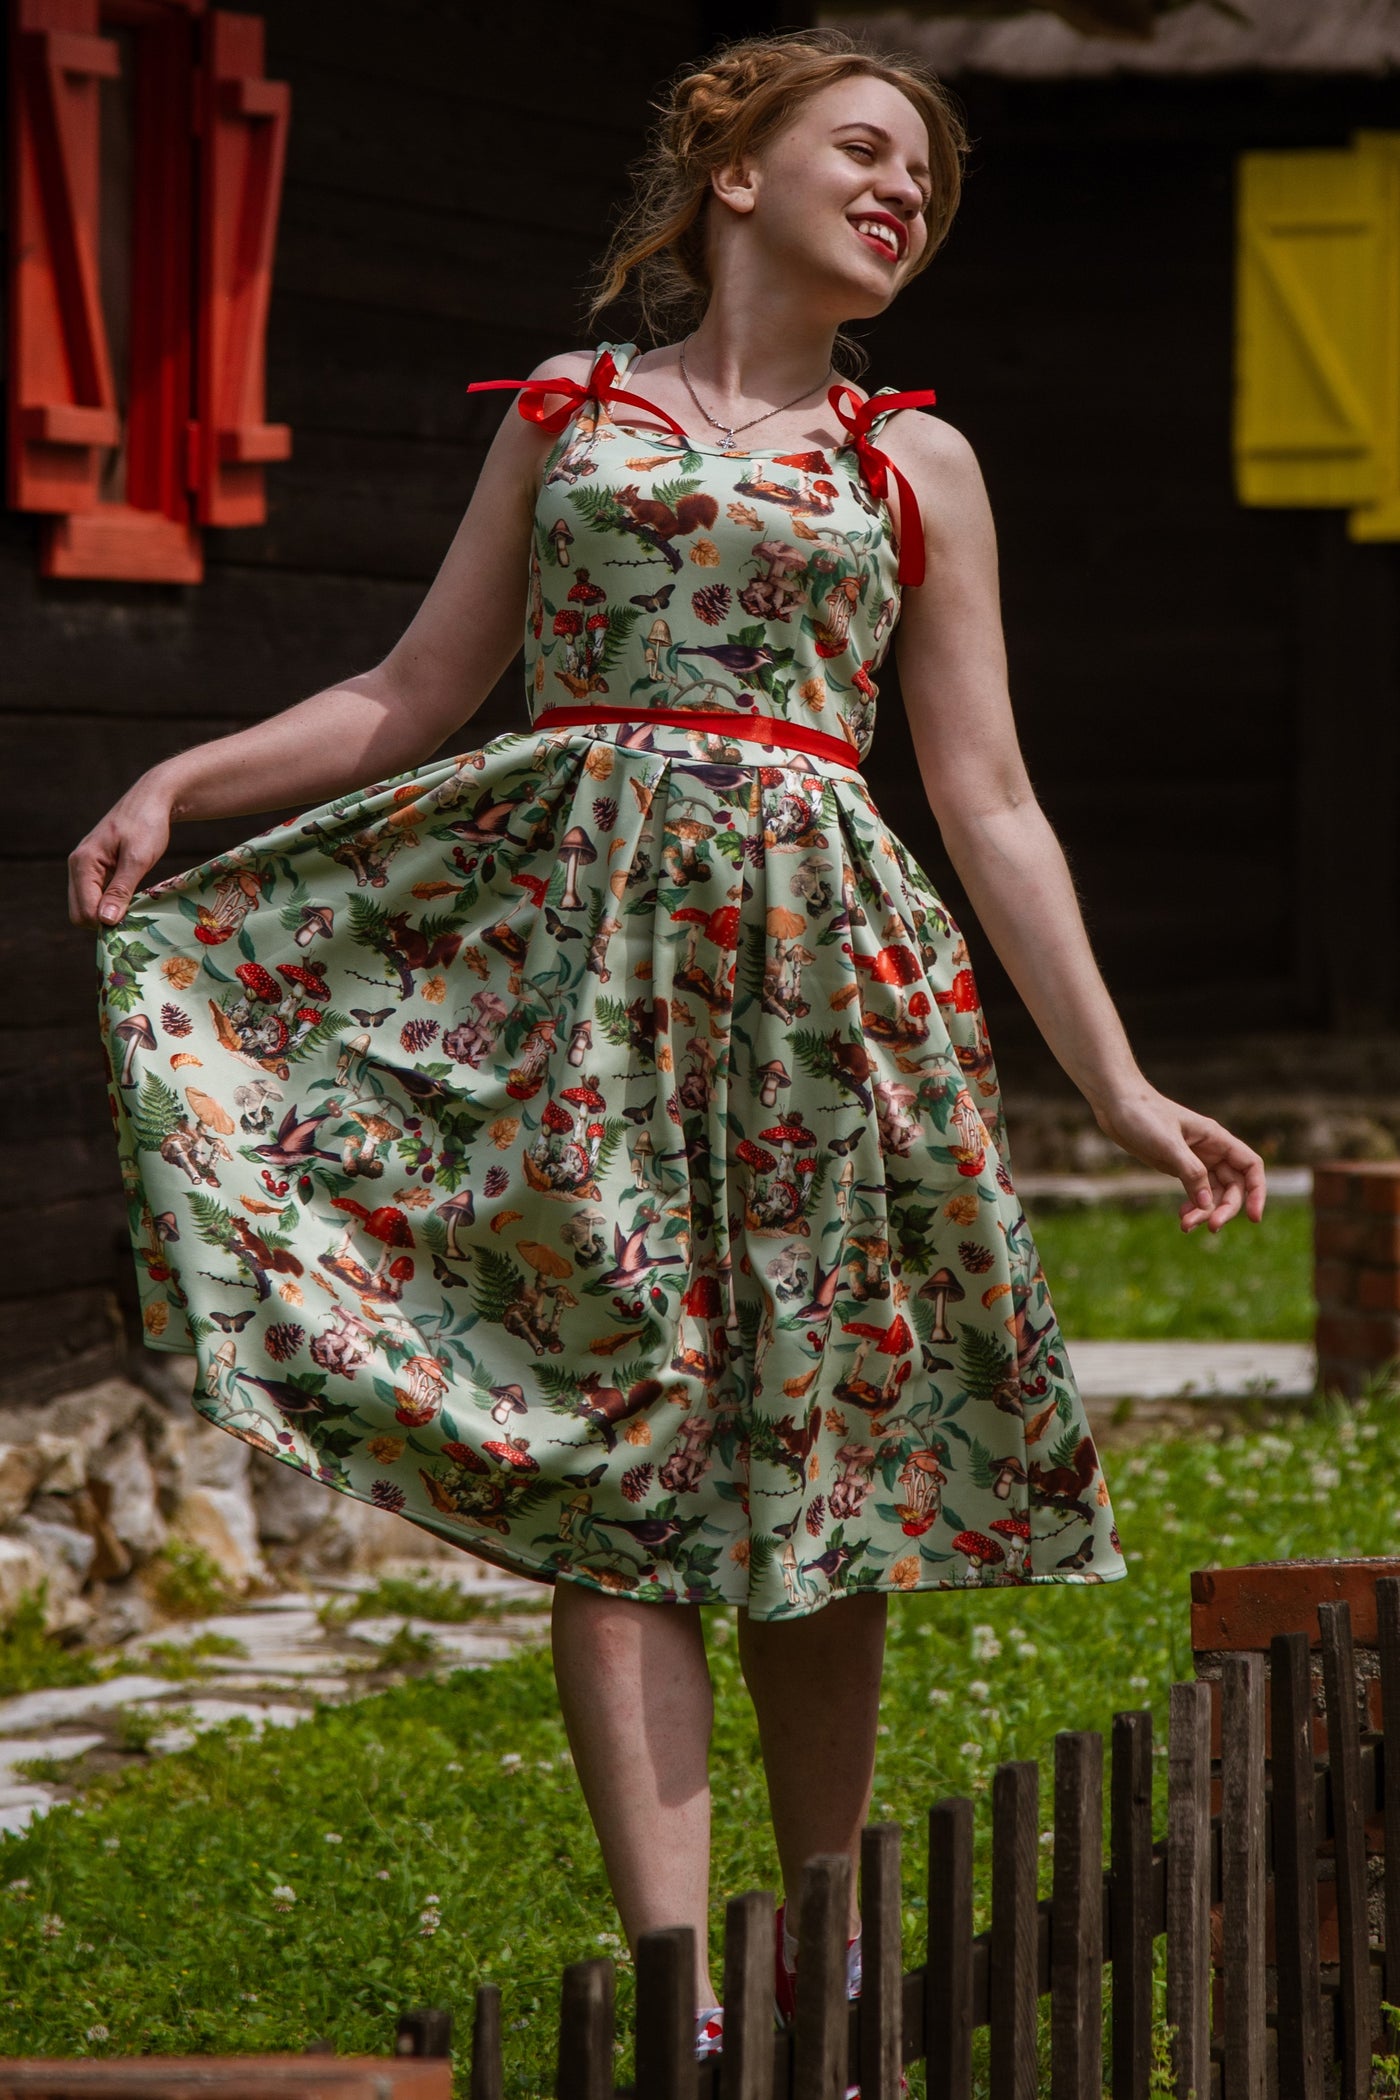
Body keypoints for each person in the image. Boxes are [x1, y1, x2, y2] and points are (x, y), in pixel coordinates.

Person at [69, 26, 1265, 2072]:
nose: (901, 192)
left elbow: (985, 800)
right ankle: (682, 1994)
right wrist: (191, 776)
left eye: (926, 184)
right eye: (864, 151)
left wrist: (1120, 1081)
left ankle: (830, 1950)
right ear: (735, 173)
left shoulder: (914, 462)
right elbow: (417, 689)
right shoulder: (568, 412)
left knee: (818, 1454)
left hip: (824, 997)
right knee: (611, 1455)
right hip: (584, 986)